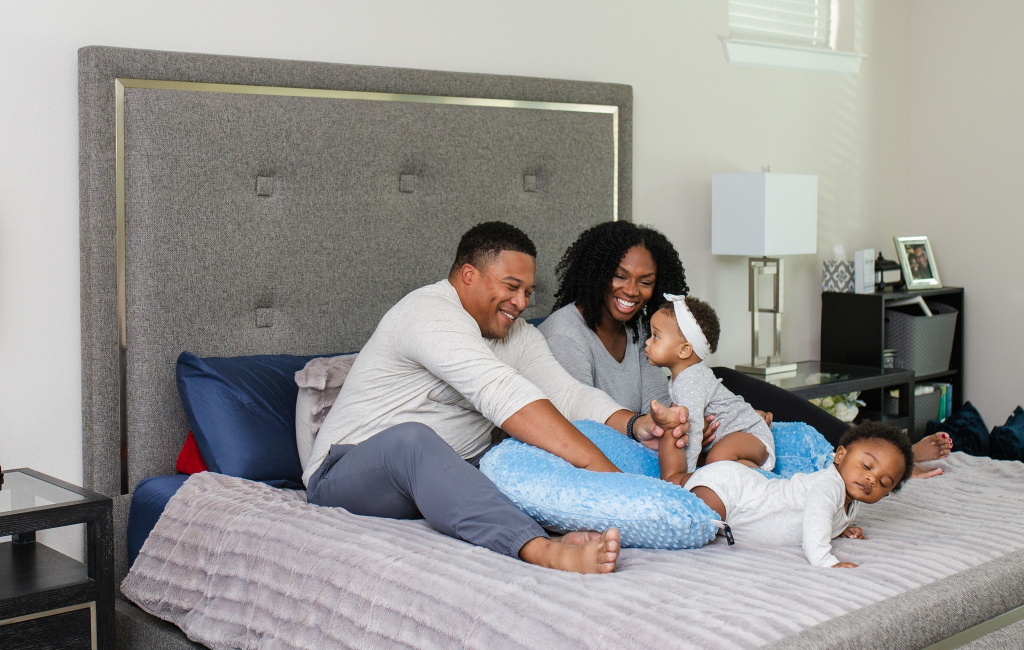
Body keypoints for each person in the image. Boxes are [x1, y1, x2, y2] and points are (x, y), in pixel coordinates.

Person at [303, 221, 690, 575]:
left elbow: (568, 395)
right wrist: (608, 478)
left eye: (527, 292)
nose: (521, 302)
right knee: (414, 440)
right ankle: (542, 548)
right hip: (348, 474)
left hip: (448, 479)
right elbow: (501, 393)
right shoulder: (427, 313)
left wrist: (634, 424)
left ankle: (572, 522)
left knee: (520, 453)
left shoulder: (517, 335)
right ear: (468, 275)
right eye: (510, 287)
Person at [541, 221, 952, 475]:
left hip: (665, 426)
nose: (631, 291)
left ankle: (872, 450)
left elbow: (662, 396)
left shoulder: (640, 329)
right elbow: (579, 415)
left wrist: (721, 414)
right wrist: (678, 426)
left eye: (645, 281)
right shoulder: (566, 332)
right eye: (619, 276)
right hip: (628, 437)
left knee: (728, 381)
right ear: (595, 273)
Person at [676, 421, 914, 568]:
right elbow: (816, 520)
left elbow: (824, 517)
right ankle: (672, 455)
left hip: (741, 499)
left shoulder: (849, 501)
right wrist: (825, 561)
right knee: (688, 519)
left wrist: (841, 528)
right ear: (840, 456)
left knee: (694, 510)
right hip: (730, 490)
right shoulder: (828, 486)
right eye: (867, 466)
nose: (872, 479)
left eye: (884, 482)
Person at [646, 296, 776, 484]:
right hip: (741, 445)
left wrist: (685, 475)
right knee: (716, 462)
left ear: (684, 351)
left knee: (717, 459)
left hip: (753, 437)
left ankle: (762, 481)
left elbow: (693, 428)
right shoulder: (683, 377)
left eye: (655, 336)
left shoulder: (690, 379)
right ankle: (753, 473)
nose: (648, 342)